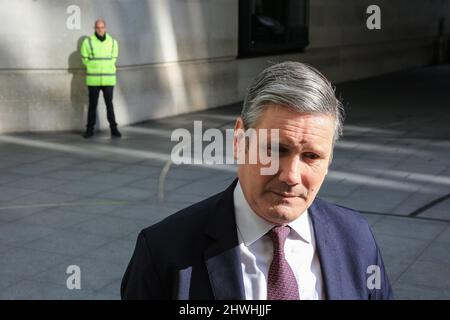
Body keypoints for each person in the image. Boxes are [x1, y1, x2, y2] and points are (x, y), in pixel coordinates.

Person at [121, 61, 394, 300]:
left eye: (311, 156)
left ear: (329, 160)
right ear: (239, 140)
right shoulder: (163, 252)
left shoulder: (356, 239)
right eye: (275, 150)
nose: (290, 176)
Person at [80, 19, 121, 138]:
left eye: (102, 27)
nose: (100, 29)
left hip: (108, 80)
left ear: (105, 28)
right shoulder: (88, 42)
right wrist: (93, 67)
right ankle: (89, 129)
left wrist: (106, 67)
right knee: (92, 105)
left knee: (109, 104)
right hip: (93, 80)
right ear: (94, 28)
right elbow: (84, 58)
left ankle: (114, 128)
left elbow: (114, 58)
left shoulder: (113, 42)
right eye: (98, 27)